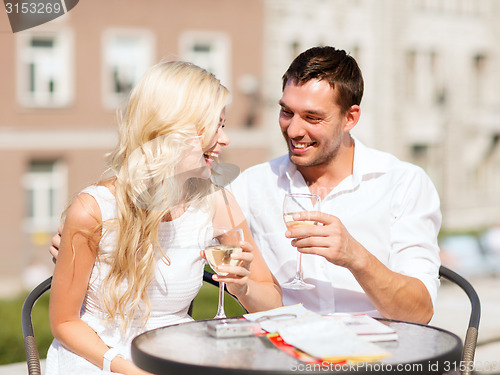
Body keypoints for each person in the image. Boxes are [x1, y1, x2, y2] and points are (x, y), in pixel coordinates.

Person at [45, 61, 282, 375]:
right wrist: (128, 369)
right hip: (98, 359)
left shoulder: (217, 202)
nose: (225, 140)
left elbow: (274, 307)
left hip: (176, 355)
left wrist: (242, 288)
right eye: (216, 125)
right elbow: (64, 322)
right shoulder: (94, 209)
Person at [228, 46, 441, 324]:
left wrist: (355, 257)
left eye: (312, 117)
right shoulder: (251, 186)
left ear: (350, 118)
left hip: (378, 356)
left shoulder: (404, 184)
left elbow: (419, 312)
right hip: (286, 355)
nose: (293, 130)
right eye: (286, 112)